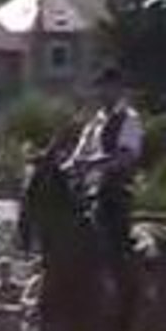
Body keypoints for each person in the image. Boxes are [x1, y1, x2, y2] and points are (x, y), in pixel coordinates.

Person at [62, 65, 144, 303]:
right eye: (101, 88)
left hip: (114, 191)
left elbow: (125, 157)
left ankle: (123, 290)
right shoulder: (93, 123)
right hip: (85, 192)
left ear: (119, 90)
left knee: (112, 238)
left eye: (108, 88)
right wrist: (60, 169)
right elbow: (77, 158)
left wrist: (91, 166)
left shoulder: (129, 119)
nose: (103, 93)